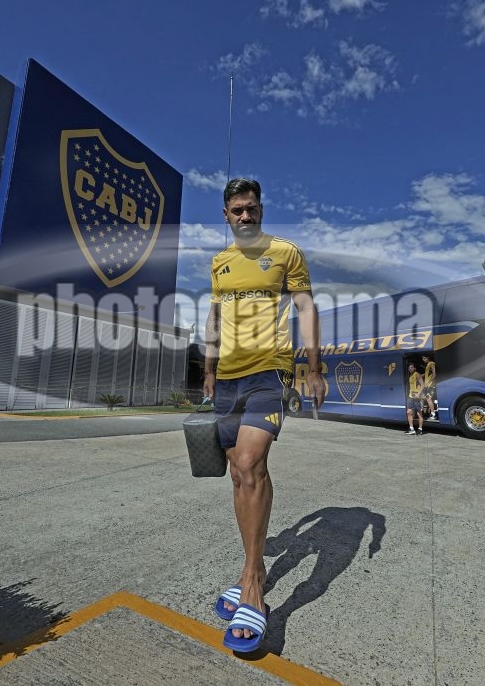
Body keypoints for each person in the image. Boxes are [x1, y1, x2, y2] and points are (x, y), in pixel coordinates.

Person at [203, 178, 325, 652]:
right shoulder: (219, 262)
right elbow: (215, 318)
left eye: (251, 208)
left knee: (252, 463)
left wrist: (314, 367)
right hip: (227, 378)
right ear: (226, 215)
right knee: (238, 471)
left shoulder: (285, 252)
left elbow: (306, 308)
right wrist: (208, 370)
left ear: (261, 209)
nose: (245, 216)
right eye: (237, 210)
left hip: (269, 371)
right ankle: (251, 566)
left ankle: (253, 584)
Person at [405, 363, 424, 435]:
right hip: (411, 396)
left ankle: (420, 429)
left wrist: (418, 394)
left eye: (411, 367)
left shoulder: (417, 374)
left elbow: (422, 385)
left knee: (419, 413)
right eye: (409, 368)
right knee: (409, 412)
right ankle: (411, 429)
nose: (410, 369)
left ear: (415, 368)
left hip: (417, 398)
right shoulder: (410, 376)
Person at [422, 354, 438, 419]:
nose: (423, 360)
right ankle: (430, 412)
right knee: (429, 399)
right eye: (422, 359)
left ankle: (433, 414)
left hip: (430, 385)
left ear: (428, 357)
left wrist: (429, 382)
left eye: (424, 358)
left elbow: (434, 374)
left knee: (428, 399)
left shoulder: (431, 363)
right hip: (427, 385)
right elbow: (429, 374)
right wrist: (423, 375)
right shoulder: (428, 364)